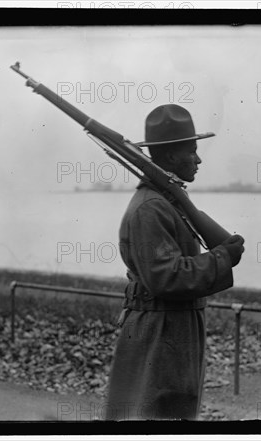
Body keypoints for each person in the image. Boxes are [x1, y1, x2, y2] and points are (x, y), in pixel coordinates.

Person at [104, 104, 245, 421]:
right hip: (160, 331)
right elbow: (166, 277)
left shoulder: (165, 201)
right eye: (192, 151)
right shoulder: (150, 209)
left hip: (172, 327)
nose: (198, 159)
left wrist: (221, 254)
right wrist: (223, 257)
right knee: (157, 417)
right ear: (169, 158)